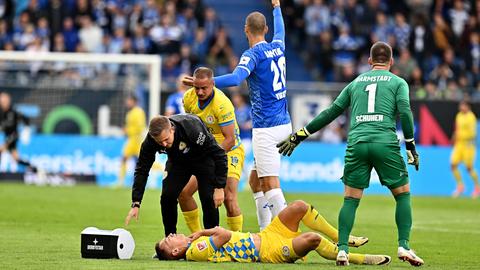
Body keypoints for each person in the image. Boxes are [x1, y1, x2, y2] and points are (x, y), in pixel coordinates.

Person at [277, 42, 424, 266]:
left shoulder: (355, 83)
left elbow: (331, 112)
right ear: (392, 62)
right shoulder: (398, 82)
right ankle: (404, 245)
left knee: (350, 198)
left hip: (356, 143)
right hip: (384, 142)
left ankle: (343, 249)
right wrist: (411, 146)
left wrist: (301, 134)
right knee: (402, 194)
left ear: (369, 61)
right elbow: (405, 111)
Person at [183, 0, 290, 231]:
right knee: (254, 181)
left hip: (266, 126)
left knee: (270, 183)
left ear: (245, 29)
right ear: (266, 30)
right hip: (284, 123)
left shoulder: (253, 54)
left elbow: (234, 79)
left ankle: (287, 235)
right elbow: (280, 29)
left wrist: (203, 82)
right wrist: (277, 7)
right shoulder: (278, 45)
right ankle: (265, 231)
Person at [154, 200, 382, 265]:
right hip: (268, 251)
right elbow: (223, 235)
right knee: (312, 239)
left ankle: (341, 238)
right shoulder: (194, 251)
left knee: (299, 207)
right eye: (168, 240)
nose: (172, 235)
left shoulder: (195, 245)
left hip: (267, 236)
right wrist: (204, 231)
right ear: (175, 252)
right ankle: (357, 258)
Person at [125, 115, 227, 236]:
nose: (163, 144)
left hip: (204, 160)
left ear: (172, 129)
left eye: (166, 139)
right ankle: (170, 240)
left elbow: (219, 154)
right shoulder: (150, 141)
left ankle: (213, 242)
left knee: (208, 198)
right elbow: (142, 169)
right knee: (167, 197)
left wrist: (219, 187)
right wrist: (136, 202)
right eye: (160, 142)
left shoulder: (192, 127)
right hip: (178, 163)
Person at [178, 67, 245, 232]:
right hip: (205, 151)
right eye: (197, 88)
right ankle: (198, 237)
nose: (200, 92)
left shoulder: (222, 105)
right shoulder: (188, 98)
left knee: (229, 198)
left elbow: (230, 139)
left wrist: (209, 159)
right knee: (184, 194)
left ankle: (236, 242)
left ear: (213, 84)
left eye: (204, 88)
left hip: (229, 150)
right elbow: (191, 127)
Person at [0, 92, 36, 172]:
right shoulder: (1, 113)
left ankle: (35, 169)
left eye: (4, 100)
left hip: (13, 137)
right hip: (7, 137)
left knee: (1, 150)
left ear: (8, 100)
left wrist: (26, 130)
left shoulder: (13, 111)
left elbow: (26, 119)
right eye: (1, 100)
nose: (3, 102)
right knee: (16, 159)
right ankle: (35, 169)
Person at [451, 101, 479, 198]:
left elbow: (472, 134)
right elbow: (458, 129)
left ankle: (477, 187)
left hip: (468, 145)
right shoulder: (459, 116)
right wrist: (455, 136)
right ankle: (460, 186)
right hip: (459, 144)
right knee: (453, 165)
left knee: (469, 168)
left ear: (468, 107)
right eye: (460, 106)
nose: (461, 108)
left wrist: (462, 136)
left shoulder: (471, 117)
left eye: (463, 106)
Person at [117, 95, 146, 187]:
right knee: (124, 158)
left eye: (129, 101)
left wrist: (127, 130)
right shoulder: (130, 113)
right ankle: (120, 182)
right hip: (132, 139)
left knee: (146, 162)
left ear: (134, 101)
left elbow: (140, 127)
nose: (127, 103)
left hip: (137, 140)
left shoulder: (138, 112)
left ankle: (162, 170)